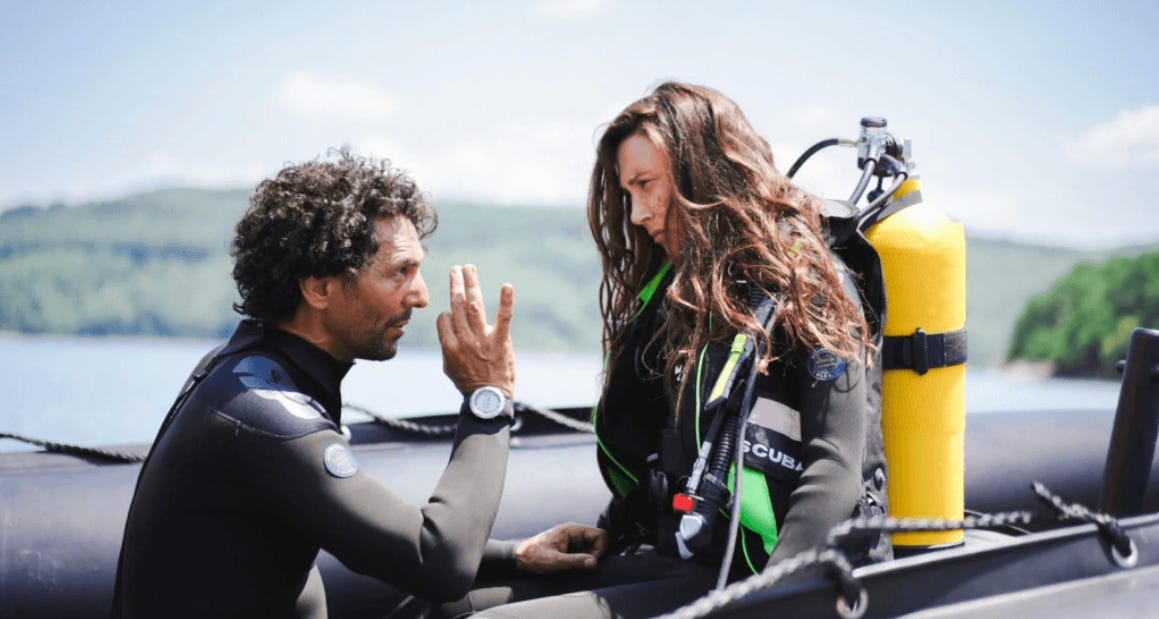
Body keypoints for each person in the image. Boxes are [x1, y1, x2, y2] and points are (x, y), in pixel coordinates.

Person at [111, 149, 602, 618]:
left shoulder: (247, 370)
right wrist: (487, 396)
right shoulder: (263, 413)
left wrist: (517, 554)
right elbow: (438, 561)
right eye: (399, 272)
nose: (420, 296)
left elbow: (377, 536)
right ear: (319, 287)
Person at [472, 82, 890, 618]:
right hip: (692, 559)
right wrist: (615, 529)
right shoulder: (686, 293)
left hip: (768, 578)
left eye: (646, 185)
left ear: (704, 173)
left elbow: (835, 463)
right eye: (628, 193)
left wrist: (769, 601)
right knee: (457, 601)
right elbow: (678, 446)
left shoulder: (808, 282)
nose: (636, 213)